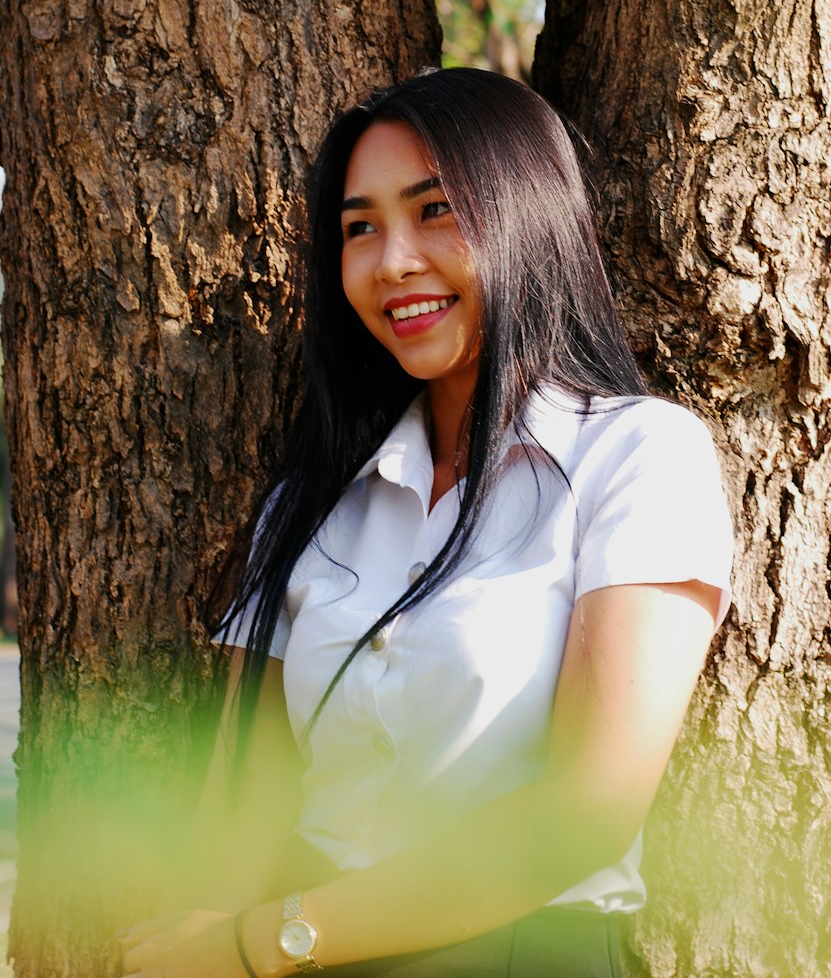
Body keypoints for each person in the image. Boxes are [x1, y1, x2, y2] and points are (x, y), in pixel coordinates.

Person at [120, 67, 733, 978]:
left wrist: (271, 940)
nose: (392, 261)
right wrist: (174, 949)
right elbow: (240, 809)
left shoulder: (639, 458)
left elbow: (584, 811)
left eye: (434, 209)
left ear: (528, 213)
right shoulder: (309, 504)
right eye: (359, 227)